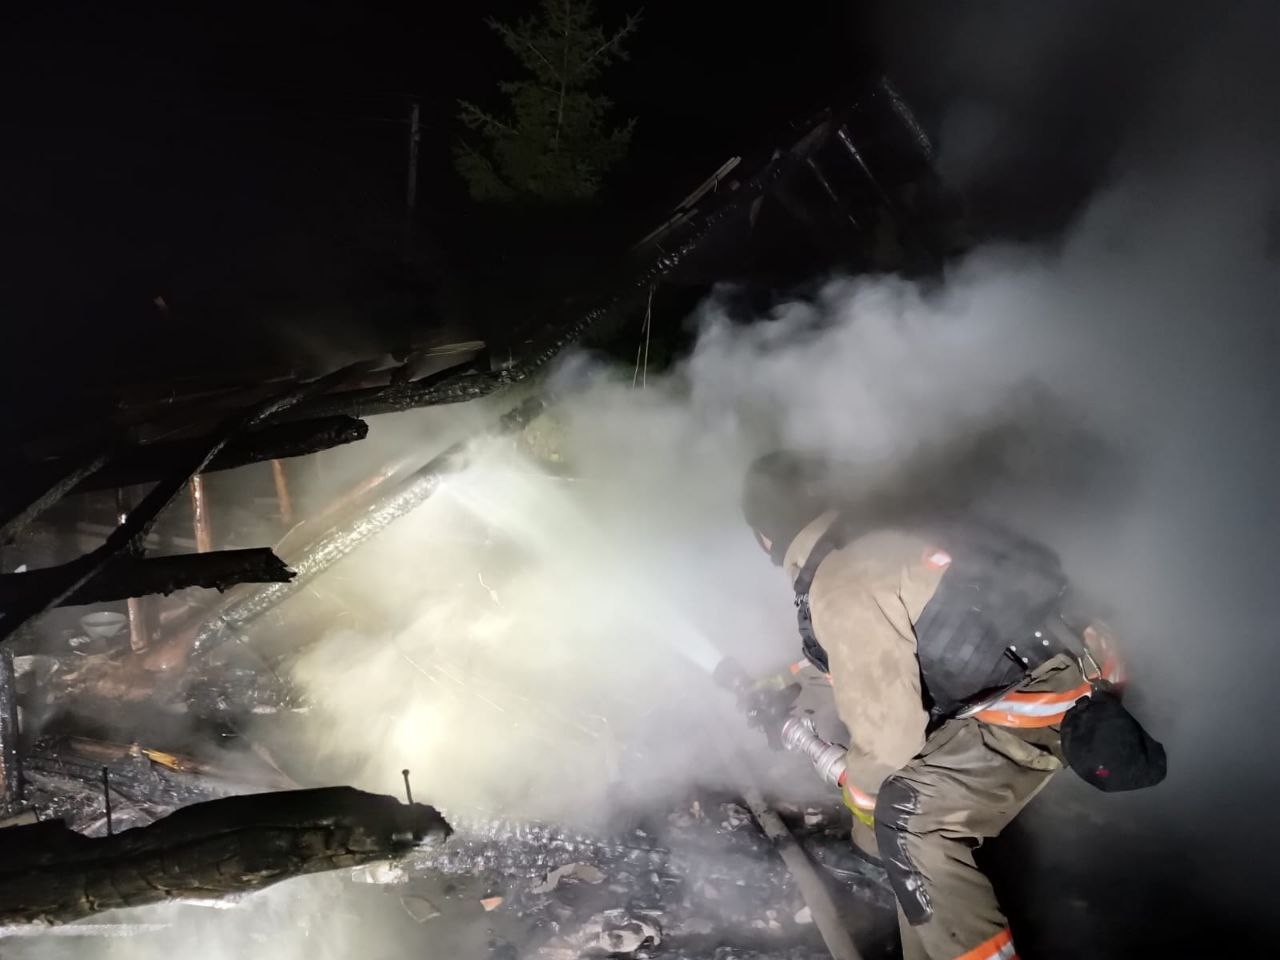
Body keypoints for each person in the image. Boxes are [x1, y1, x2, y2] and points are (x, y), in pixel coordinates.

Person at [741, 451, 1164, 960]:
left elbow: (890, 744)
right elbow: (868, 652)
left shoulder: (838, 581)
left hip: (1054, 692)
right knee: (903, 826)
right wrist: (788, 688)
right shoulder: (870, 535)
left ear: (765, 538)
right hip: (1076, 651)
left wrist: (864, 823)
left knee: (906, 819)